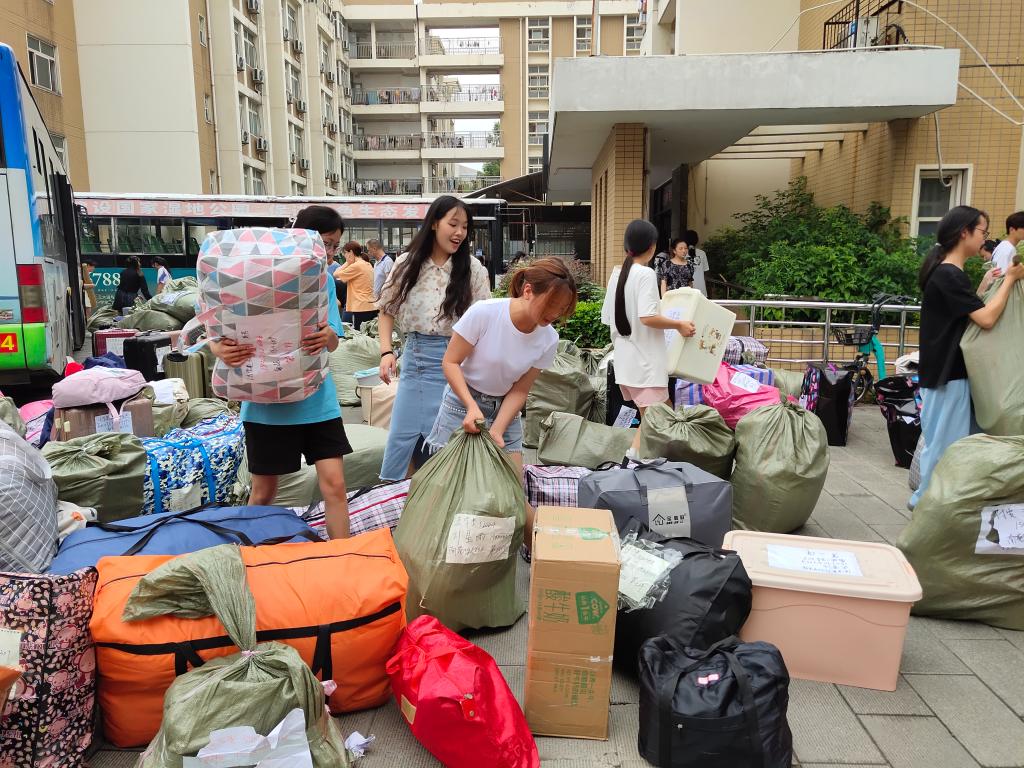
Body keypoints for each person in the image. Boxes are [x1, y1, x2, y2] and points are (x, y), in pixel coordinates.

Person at [208, 204, 353, 538]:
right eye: (326, 244)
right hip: (265, 404)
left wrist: (329, 337)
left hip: (317, 399)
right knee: (264, 492)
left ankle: (342, 558)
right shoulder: (250, 273)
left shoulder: (324, 281)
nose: (330, 253)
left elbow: (333, 338)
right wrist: (219, 349)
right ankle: (250, 554)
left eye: (335, 246)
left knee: (335, 485)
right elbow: (217, 332)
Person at [425, 258, 577, 542]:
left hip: (505, 409)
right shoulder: (485, 313)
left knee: (512, 489)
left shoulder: (549, 339)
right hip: (461, 402)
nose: (554, 315)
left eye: (561, 310)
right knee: (446, 486)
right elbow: (450, 362)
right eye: (551, 305)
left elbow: (520, 390)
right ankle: (431, 548)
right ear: (528, 291)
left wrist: (497, 429)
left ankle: (547, 555)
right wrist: (471, 407)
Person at [909, 205, 1024, 509]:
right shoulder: (949, 274)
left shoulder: (949, 272)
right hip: (948, 374)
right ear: (964, 233)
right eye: (983, 231)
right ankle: (926, 508)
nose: (986, 238)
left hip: (949, 372)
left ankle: (939, 508)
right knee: (944, 450)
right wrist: (1010, 280)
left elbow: (964, 314)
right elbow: (985, 319)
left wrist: (984, 287)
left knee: (957, 447)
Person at [377, 195, 492, 481]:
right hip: (415, 363)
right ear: (434, 224)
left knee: (447, 443)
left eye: (465, 227)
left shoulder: (473, 270)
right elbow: (386, 310)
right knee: (402, 438)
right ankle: (397, 501)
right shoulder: (407, 264)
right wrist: (386, 352)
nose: (459, 232)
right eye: (453, 224)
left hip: (458, 366)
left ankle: (439, 500)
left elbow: (485, 322)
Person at [602, 219, 696, 457]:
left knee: (663, 414)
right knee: (654, 419)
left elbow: (609, 318)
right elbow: (648, 317)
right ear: (652, 246)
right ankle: (633, 460)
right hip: (645, 363)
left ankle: (653, 459)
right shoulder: (644, 274)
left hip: (626, 361)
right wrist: (679, 325)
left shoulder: (617, 274)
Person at [335, 240, 377, 330]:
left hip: (361, 306)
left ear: (350, 252)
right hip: (370, 305)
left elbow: (336, 274)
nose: (344, 256)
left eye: (345, 253)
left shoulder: (357, 266)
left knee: (360, 334)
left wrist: (347, 262)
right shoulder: (367, 264)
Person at [685, 229, 709, 297]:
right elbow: (706, 271)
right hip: (701, 290)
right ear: (697, 240)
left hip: (686, 290)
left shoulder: (682, 254)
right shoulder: (702, 253)